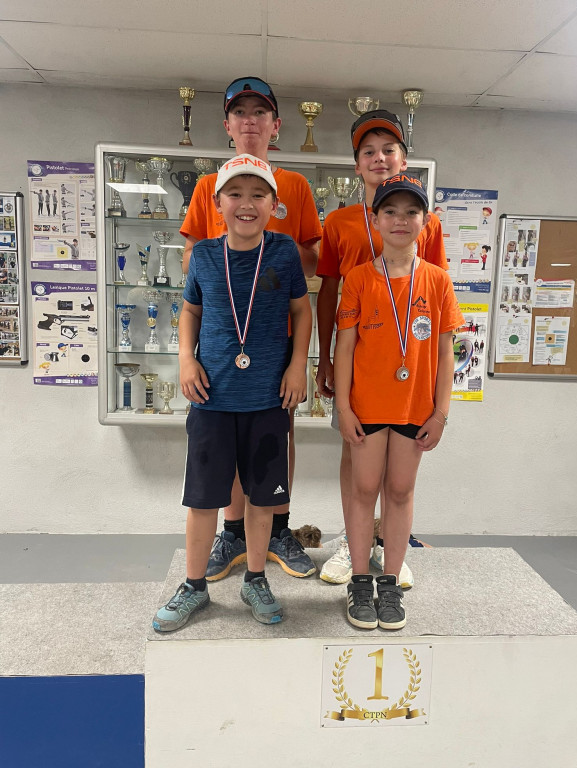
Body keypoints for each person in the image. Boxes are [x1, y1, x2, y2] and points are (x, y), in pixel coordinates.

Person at [153, 155, 312, 632]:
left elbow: (302, 310)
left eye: (258, 194)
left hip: (268, 399)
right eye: (235, 194)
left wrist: (298, 365)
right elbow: (190, 312)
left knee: (262, 499)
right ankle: (194, 586)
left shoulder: (284, 253)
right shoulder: (203, 255)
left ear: (274, 205)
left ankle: (256, 579)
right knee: (203, 499)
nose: (247, 203)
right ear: (217, 204)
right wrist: (186, 359)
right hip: (212, 398)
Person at [180, 77, 322, 582]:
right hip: (223, 348)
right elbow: (192, 262)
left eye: (260, 113)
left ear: (275, 125)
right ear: (227, 125)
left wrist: (267, 245)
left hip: (272, 344)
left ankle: (278, 529)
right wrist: (231, 251)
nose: (250, 121)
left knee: (273, 440)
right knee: (225, 447)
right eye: (240, 113)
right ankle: (232, 532)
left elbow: (312, 259)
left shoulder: (296, 187)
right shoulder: (206, 186)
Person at [316, 110, 448, 585]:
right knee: (354, 457)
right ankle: (351, 545)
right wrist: (325, 356)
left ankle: (387, 546)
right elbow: (328, 291)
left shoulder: (426, 224)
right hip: (359, 366)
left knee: (399, 475)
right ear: (356, 165)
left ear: (403, 160)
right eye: (368, 152)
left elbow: (435, 298)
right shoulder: (340, 221)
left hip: (407, 374)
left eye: (388, 150)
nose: (379, 158)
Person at [334, 173, 464, 629]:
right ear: (376, 220)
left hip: (414, 408)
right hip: (367, 408)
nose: (400, 219)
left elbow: (446, 352)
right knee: (363, 489)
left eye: (411, 212)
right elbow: (344, 348)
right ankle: (359, 581)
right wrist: (343, 408)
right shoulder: (358, 279)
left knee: (401, 490)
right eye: (390, 211)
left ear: (426, 222)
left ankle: (388, 582)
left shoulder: (438, 281)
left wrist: (441, 413)